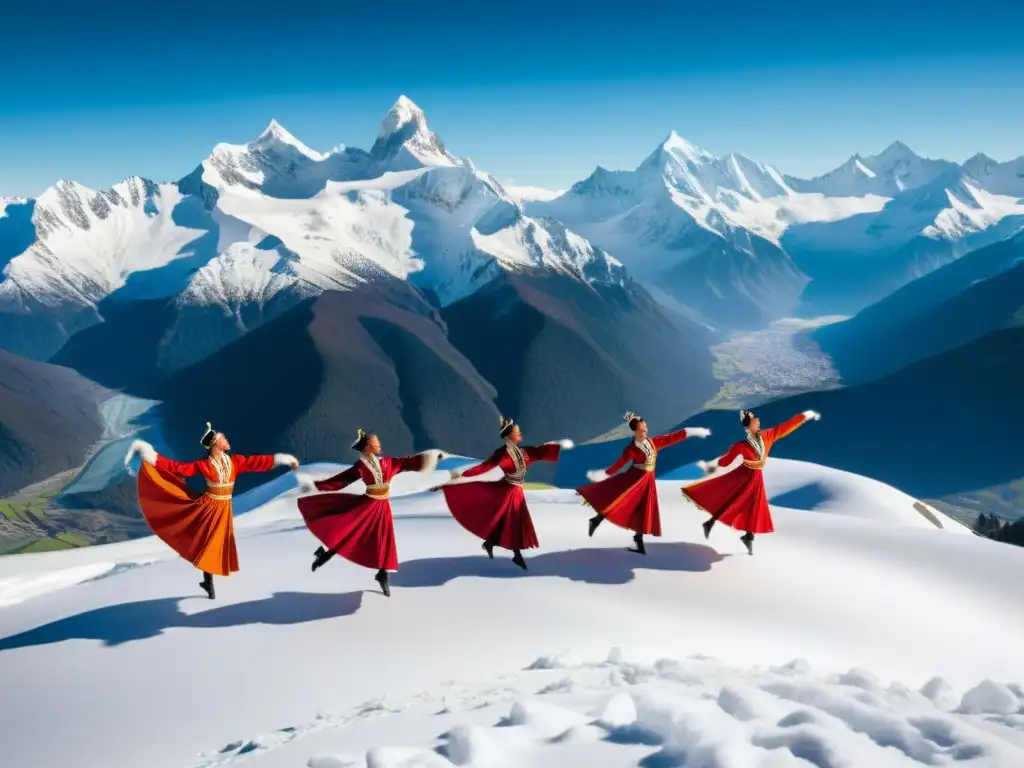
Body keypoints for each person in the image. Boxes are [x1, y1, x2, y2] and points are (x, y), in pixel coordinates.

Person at [124, 422, 302, 599]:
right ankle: (208, 581)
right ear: (216, 444)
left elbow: (256, 462)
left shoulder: (234, 462)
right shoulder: (205, 465)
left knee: (214, 544)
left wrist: (284, 460)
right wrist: (152, 457)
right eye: (223, 438)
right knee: (209, 543)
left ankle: (207, 581)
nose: (226, 439)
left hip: (223, 508)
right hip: (209, 507)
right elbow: (179, 468)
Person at [298, 429, 443, 597]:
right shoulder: (361, 466)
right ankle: (325, 555)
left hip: (383, 506)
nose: (380, 445)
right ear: (368, 446)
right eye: (376, 442)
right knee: (349, 532)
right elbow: (341, 480)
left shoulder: (388, 462)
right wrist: (316, 485)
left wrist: (429, 458)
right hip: (367, 504)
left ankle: (382, 573)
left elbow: (406, 463)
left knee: (384, 539)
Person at [434, 416, 573, 570]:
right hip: (507, 490)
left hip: (515, 490)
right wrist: (463, 475)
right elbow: (484, 467)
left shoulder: (524, 452)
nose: (520, 432)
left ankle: (490, 543)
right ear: (509, 435)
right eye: (517, 431)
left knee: (506, 521)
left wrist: (562, 447)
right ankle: (516, 556)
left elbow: (541, 452)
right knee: (513, 522)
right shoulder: (502, 454)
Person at [682, 409, 821, 554]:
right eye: (755, 422)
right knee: (736, 500)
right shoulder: (741, 445)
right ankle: (719, 526)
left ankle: (744, 534)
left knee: (753, 506)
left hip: (756, 476)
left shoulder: (767, 436)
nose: (758, 422)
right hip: (744, 474)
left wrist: (804, 416)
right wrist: (714, 466)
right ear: (748, 427)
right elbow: (726, 460)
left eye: (758, 421)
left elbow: (784, 427)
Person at [576, 412, 710, 554]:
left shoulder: (652, 442)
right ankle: (598, 520)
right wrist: (605, 474)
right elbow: (619, 464)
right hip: (634, 478)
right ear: (636, 430)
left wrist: (691, 431)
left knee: (644, 509)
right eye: (642, 428)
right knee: (621, 500)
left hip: (647, 480)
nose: (645, 430)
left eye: (645, 427)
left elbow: (671, 438)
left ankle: (636, 540)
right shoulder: (631, 449)